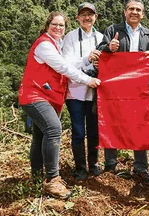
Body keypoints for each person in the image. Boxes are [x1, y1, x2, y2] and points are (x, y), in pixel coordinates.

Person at [18, 12, 101, 199]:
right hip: (35, 95)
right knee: (54, 129)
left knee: (40, 137)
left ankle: (36, 177)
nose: (58, 28)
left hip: (46, 96)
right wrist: (88, 80)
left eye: (62, 25)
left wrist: (87, 59)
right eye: (54, 24)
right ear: (47, 25)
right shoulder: (45, 45)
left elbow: (68, 63)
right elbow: (64, 68)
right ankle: (52, 180)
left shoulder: (57, 44)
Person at [98, 0, 149, 184]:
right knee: (112, 121)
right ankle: (110, 165)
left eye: (138, 10)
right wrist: (109, 48)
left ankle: (140, 167)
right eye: (131, 9)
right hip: (115, 87)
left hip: (139, 88)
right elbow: (100, 50)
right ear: (124, 12)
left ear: (143, 14)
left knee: (140, 124)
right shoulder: (112, 30)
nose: (134, 12)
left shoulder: (148, 35)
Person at [62, 3, 104, 181]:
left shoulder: (102, 37)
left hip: (95, 93)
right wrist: (87, 59)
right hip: (75, 92)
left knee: (94, 130)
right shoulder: (70, 37)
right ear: (77, 18)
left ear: (96, 17)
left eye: (90, 14)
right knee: (78, 131)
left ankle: (93, 165)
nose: (87, 17)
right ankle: (80, 168)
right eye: (83, 14)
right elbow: (66, 64)